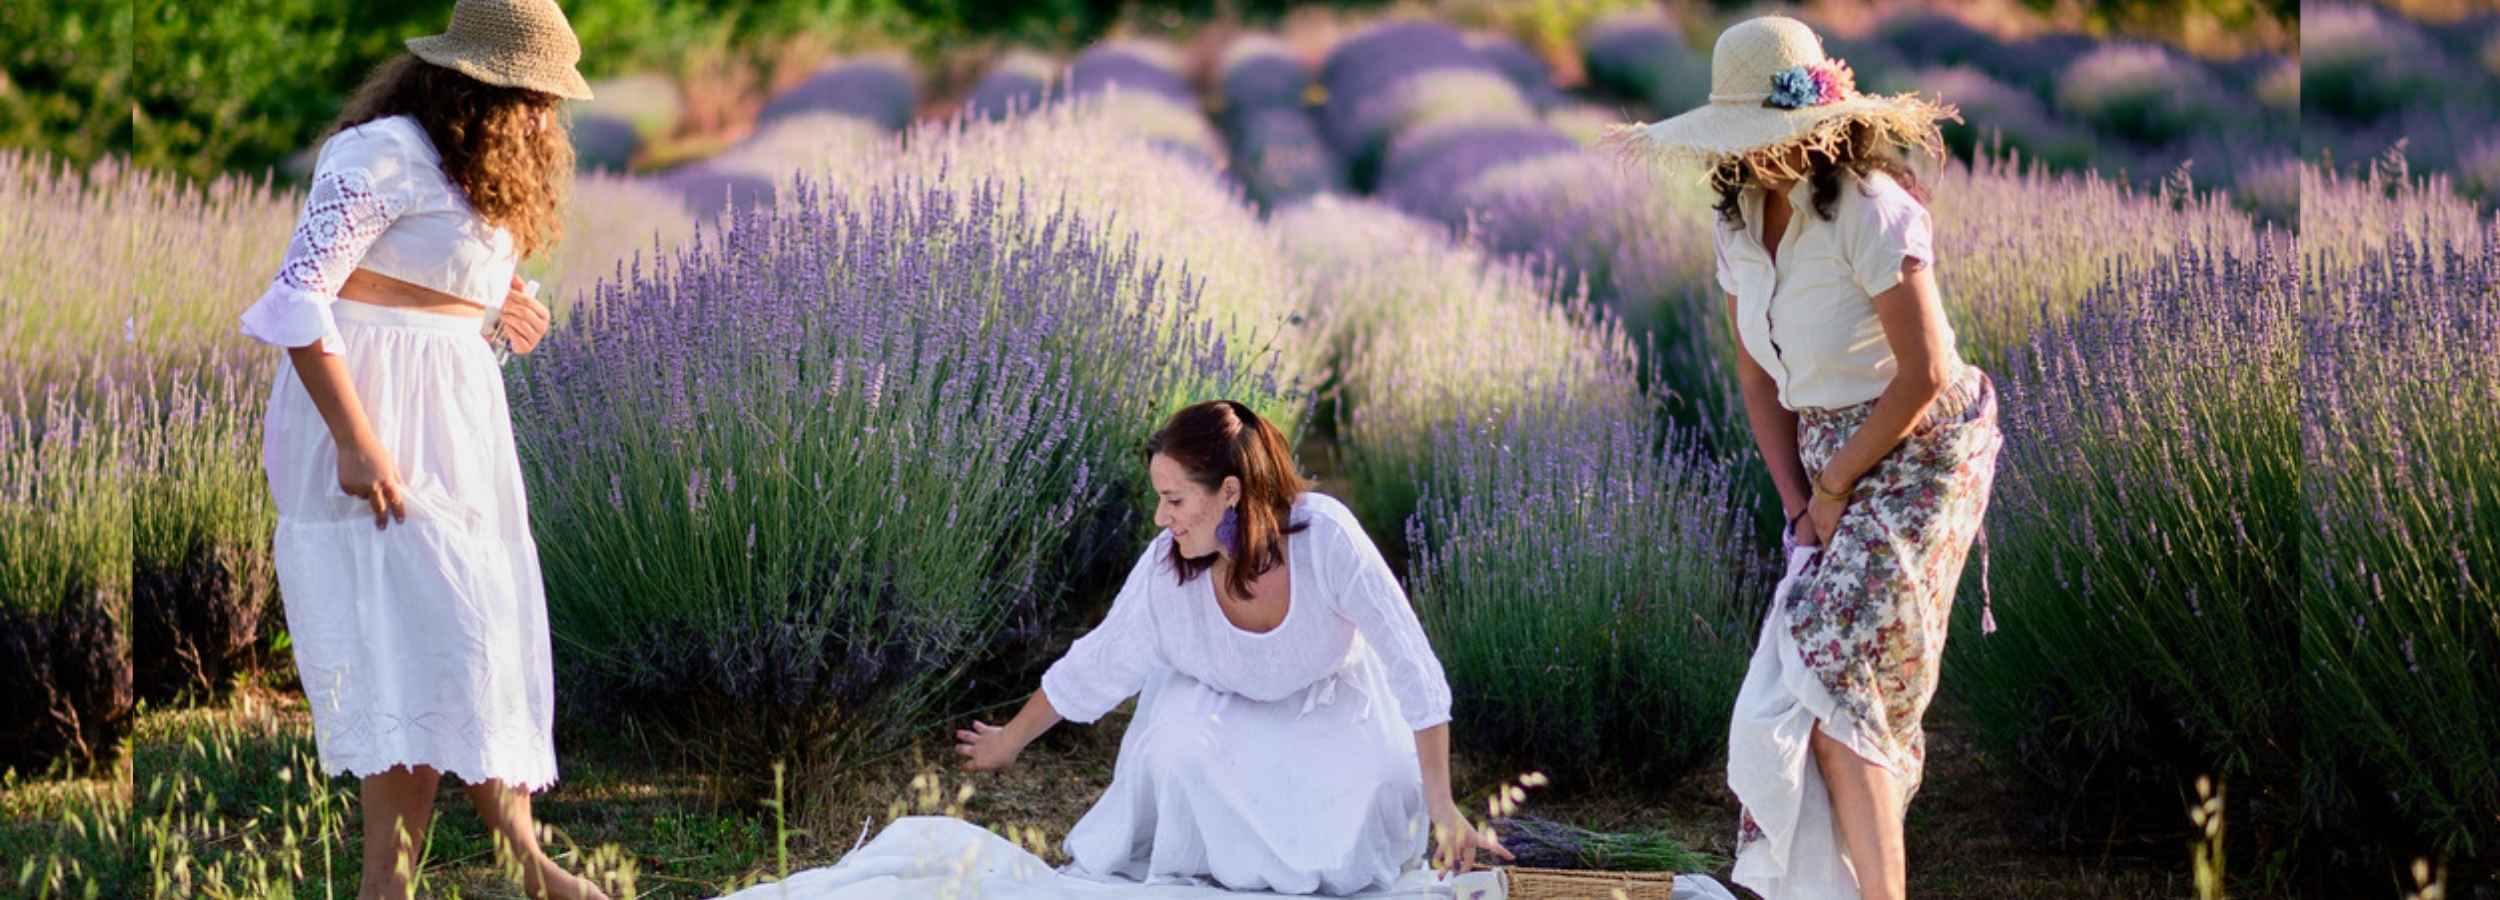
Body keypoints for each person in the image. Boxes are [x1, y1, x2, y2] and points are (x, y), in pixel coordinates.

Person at [1610, 15, 2003, 900]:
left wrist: (1832, 487)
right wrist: (1798, 502)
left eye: (1772, 139)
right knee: (1813, 691)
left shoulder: (1873, 210)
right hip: (1828, 462)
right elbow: (1756, 374)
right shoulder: (1743, 221)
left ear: (1820, 127)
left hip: (1922, 450)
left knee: (1838, 688)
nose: (1757, 158)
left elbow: (1927, 372)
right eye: (1744, 145)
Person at [235, 0, 605, 896]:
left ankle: (524, 865)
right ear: (476, 83)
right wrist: (358, 444)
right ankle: (422, 882)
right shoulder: (381, 154)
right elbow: (300, 301)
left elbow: (430, 296)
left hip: (454, 430)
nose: (544, 118)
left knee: (464, 644)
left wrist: (499, 311)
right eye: (532, 97)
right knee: (421, 644)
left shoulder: (473, 167)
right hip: (367, 428)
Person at [952, 400, 1511, 894]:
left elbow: (1411, 663)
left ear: (1230, 492)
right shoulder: (1167, 573)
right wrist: (1008, 740)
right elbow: (1099, 661)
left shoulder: (1326, 540)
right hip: (1216, 711)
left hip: (1330, 712)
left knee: (1368, 810)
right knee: (1173, 752)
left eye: (1173, 500)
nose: (1159, 517)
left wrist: (1441, 803)